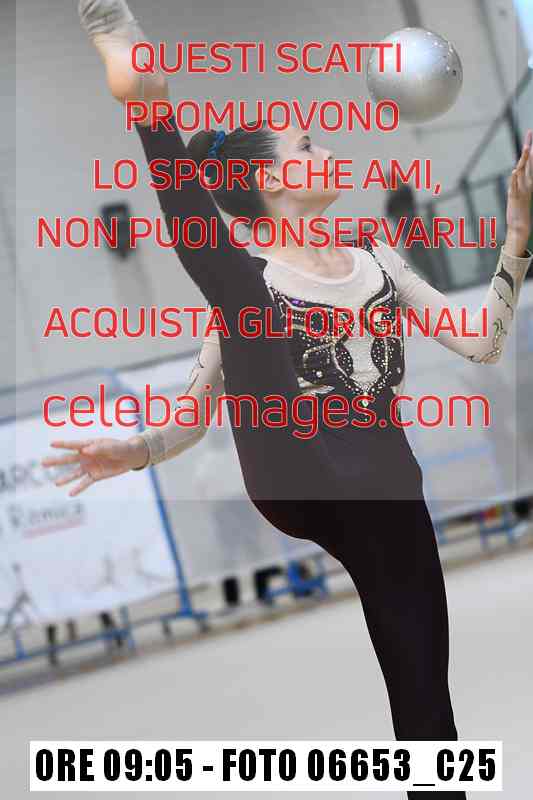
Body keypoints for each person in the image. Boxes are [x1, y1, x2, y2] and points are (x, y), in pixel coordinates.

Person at [42, 4, 533, 797]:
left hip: (383, 485)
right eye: (307, 146)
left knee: (421, 684)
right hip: (294, 470)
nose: (328, 152)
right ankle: (146, 101)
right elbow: (195, 407)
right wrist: (134, 451)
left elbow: (481, 342)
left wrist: (515, 234)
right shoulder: (248, 287)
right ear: (271, 180)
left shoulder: (376, 257)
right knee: (242, 292)